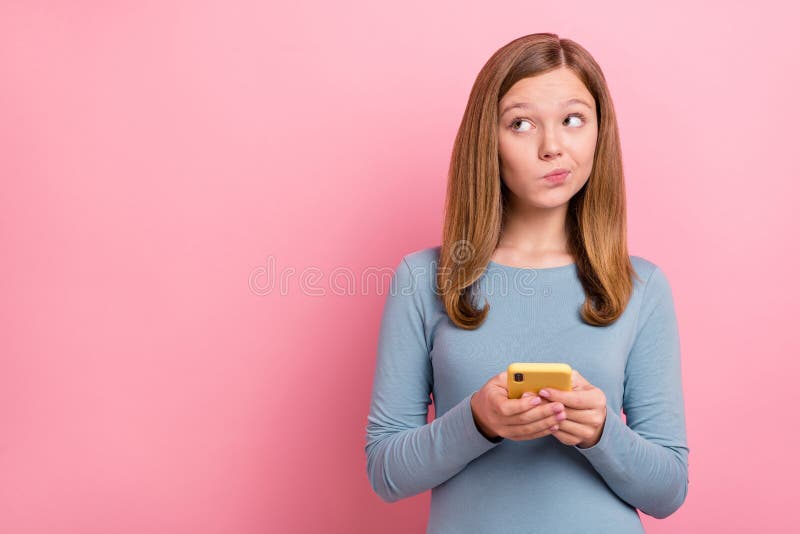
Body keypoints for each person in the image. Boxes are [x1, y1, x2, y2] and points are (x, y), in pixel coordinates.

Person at [364, 32, 689, 534]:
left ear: (599, 131)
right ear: (486, 139)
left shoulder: (641, 285)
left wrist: (602, 432)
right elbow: (386, 473)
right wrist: (477, 420)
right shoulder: (422, 278)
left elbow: (668, 492)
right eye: (521, 124)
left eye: (573, 119)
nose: (552, 146)